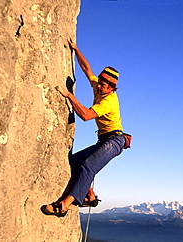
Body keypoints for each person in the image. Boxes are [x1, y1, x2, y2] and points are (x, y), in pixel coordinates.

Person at [41, 39, 127, 217]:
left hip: (114, 140)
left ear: (112, 88)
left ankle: (62, 207)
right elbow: (87, 69)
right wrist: (76, 49)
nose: (99, 85)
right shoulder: (99, 87)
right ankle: (90, 197)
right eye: (100, 82)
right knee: (73, 162)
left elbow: (86, 116)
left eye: (104, 84)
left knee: (88, 166)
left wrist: (69, 96)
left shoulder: (109, 100)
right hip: (104, 139)